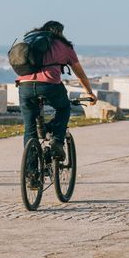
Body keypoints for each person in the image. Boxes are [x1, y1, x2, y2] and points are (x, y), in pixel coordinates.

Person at [17, 21, 96, 161]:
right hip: (49, 85)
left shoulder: (30, 42)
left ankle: (31, 176)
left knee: (29, 130)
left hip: (25, 86)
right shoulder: (64, 46)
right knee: (64, 107)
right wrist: (89, 92)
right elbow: (80, 74)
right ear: (60, 32)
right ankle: (57, 142)